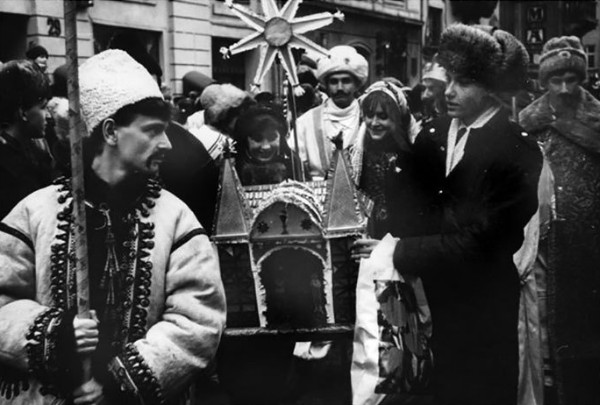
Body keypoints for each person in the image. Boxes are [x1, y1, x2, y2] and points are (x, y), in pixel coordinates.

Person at [0, 49, 226, 405]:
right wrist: (59, 336)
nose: (166, 143)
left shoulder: (176, 218)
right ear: (110, 131)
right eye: (153, 131)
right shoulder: (35, 211)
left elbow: (198, 322)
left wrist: (119, 383)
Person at [355, 24, 542, 405]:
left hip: (484, 307)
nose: (449, 91)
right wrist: (388, 240)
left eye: (464, 83)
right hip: (433, 301)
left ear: (491, 89)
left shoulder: (517, 149)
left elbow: (482, 243)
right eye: (450, 78)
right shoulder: (437, 132)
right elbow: (414, 207)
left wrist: (401, 251)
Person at [519, 35, 600, 405]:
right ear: (544, 80)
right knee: (545, 323)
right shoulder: (529, 121)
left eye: (572, 78)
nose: (565, 88)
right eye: (556, 80)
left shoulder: (597, 119)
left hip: (592, 243)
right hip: (545, 243)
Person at [349, 80, 421, 239]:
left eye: (383, 116)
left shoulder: (411, 158)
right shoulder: (354, 156)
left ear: (396, 119)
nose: (374, 123)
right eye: (369, 115)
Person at [293, 45, 368, 179]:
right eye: (334, 82)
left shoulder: (369, 119)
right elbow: (294, 165)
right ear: (325, 85)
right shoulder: (305, 123)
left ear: (357, 84)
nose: (339, 88)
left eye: (346, 81)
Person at [0, 59, 54, 219]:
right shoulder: (7, 165)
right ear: (23, 111)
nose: (49, 116)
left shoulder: (37, 149)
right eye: (43, 107)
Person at [233, 105, 302, 185]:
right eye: (257, 139)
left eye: (272, 138)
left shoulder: (292, 166)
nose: (266, 146)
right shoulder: (234, 169)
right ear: (245, 141)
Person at [189, 83, 255, 161]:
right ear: (226, 115)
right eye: (239, 113)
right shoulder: (221, 142)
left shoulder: (201, 133)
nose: (245, 119)